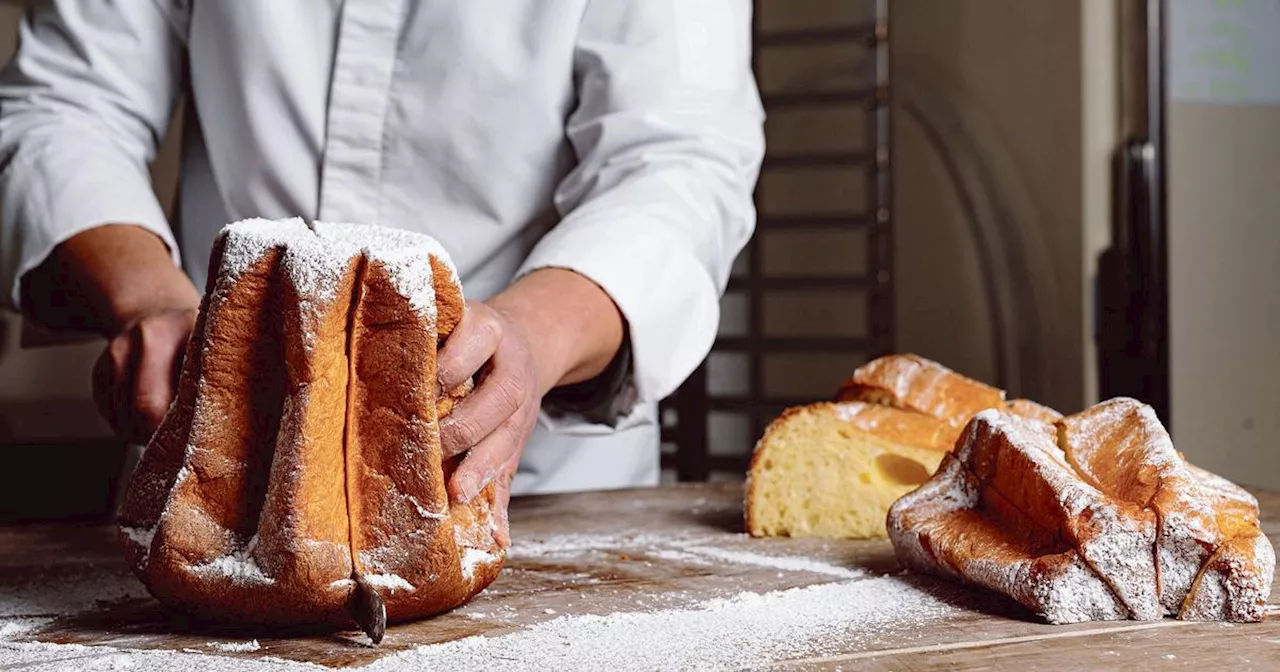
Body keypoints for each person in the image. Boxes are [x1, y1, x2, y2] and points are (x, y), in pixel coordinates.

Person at [0, 2, 764, 545]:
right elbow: (66, 106)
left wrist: (530, 337)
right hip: (218, 467)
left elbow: (678, 165)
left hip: (533, 488)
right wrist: (147, 299)